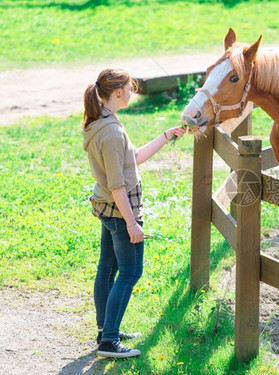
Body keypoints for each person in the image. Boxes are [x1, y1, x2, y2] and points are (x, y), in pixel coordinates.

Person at [82, 68, 186, 358]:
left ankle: (107, 329)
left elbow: (134, 158)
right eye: (129, 88)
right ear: (118, 92)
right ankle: (109, 342)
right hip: (119, 210)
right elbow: (118, 185)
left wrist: (166, 136)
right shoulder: (112, 132)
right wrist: (132, 223)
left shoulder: (103, 121)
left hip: (107, 207)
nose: (132, 92)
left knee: (108, 270)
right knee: (130, 272)